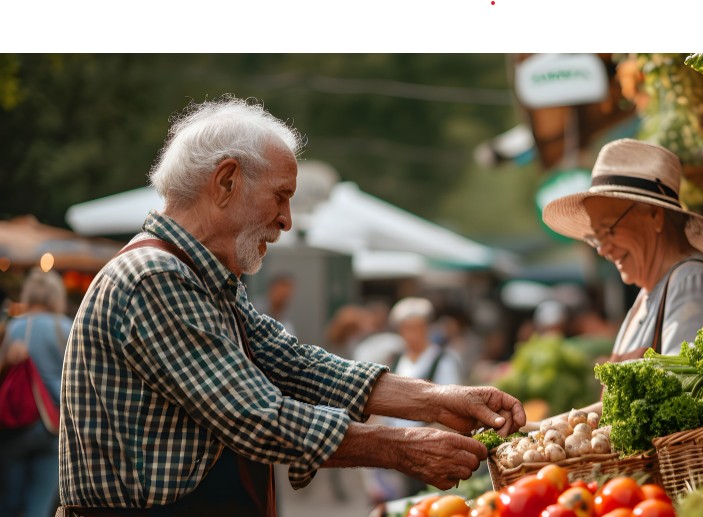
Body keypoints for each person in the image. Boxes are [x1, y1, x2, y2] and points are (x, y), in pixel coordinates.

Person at [58, 96, 524, 516]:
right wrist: (400, 446)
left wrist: (437, 402)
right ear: (226, 181)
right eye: (280, 196)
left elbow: (295, 365)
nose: (286, 220)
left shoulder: (205, 277)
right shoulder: (156, 278)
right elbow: (255, 415)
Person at [539, 138, 703, 416]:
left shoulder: (691, 281)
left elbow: (688, 393)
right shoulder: (648, 295)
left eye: (609, 230)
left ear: (655, 216)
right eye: (596, 238)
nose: (604, 249)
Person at [362, 297, 465, 504]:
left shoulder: (443, 360)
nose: (412, 334)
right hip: (395, 447)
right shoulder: (396, 360)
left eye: (417, 327)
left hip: (427, 446)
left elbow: (453, 407)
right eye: (407, 328)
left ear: (427, 328)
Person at [0, 269, 72, 517]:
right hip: (54, 427)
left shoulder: (15, 327)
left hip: (17, 422)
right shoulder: (67, 328)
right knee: (40, 507)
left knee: (9, 502)